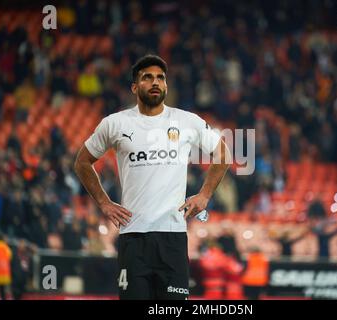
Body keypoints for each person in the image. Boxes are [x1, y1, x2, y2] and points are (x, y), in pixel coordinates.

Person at [74, 55, 230, 300]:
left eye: (160, 78)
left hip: (173, 238)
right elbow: (82, 162)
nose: (155, 82)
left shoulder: (187, 121)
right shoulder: (114, 124)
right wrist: (104, 202)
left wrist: (205, 194)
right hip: (133, 238)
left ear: (166, 86)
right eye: (147, 77)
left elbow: (223, 153)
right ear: (135, 87)